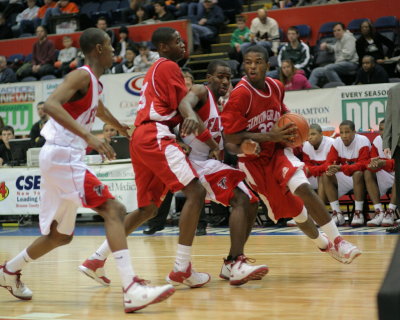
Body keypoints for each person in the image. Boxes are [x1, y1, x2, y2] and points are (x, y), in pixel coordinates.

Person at [0, 28, 175, 313]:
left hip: (62, 157)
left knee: (61, 235)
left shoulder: (96, 84)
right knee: (115, 209)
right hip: (63, 154)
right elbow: (51, 105)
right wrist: (90, 136)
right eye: (109, 46)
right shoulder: (80, 75)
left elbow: (100, 109)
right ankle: (131, 288)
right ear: (98, 49)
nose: (114, 51)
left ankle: (9, 270)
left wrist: (121, 128)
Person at [79, 27, 210, 289]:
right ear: (162, 47)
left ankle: (96, 259)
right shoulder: (169, 66)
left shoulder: (155, 70)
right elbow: (182, 108)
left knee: (149, 208)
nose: (182, 44)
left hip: (142, 137)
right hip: (155, 134)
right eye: (176, 41)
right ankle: (182, 268)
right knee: (195, 192)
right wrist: (208, 135)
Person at [221, 45, 361, 264]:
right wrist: (270, 136)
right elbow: (230, 137)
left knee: (301, 186)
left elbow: (282, 112)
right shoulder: (240, 95)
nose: (252, 66)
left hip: (278, 151)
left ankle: (339, 241)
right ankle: (324, 245)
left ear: (268, 65)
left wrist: (292, 126)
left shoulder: (276, 86)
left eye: (258, 62)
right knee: (297, 214)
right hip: (254, 162)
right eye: (248, 62)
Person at [179, 60, 268, 285]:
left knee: (251, 201)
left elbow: (226, 144)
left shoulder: (222, 106)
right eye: (220, 76)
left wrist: (242, 147)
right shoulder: (201, 91)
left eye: (228, 77)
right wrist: (189, 115)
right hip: (192, 162)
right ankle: (235, 263)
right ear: (209, 77)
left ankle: (231, 263)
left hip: (206, 163)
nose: (225, 81)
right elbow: (184, 103)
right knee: (242, 198)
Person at [322, 120, 371, 227]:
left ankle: (358, 213)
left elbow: (363, 164)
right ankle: (337, 213)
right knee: (326, 174)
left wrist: (341, 167)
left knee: (358, 173)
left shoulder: (363, 141)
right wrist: (331, 167)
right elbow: (329, 162)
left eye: (347, 132)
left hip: (362, 178)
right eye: (342, 132)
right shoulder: (337, 142)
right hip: (346, 175)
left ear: (354, 132)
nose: (344, 135)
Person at [365, 120, 396, 227]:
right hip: (385, 173)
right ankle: (379, 212)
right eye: (381, 129)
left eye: (387, 129)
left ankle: (390, 212)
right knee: (368, 172)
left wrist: (384, 163)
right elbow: (372, 160)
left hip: (396, 173)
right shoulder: (377, 140)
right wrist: (373, 164)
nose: (383, 132)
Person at [309, 23, 358, 87]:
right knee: (316, 71)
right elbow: (334, 48)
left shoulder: (349, 38)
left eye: (338, 30)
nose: (336, 32)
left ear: (344, 30)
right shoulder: (339, 40)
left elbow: (347, 55)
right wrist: (327, 46)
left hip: (351, 64)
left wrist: (335, 63)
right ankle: (309, 89)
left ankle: (341, 88)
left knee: (329, 68)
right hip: (340, 65)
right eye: (334, 31)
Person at [383, 83, 400, 233]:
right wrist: (386, 142)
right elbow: (388, 119)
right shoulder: (394, 91)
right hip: (398, 145)